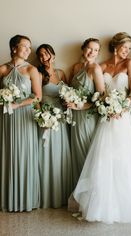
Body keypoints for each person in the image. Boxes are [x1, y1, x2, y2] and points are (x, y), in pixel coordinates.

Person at [72, 32, 131, 224]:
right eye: (125, 47)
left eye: (129, 48)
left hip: (123, 117)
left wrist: (122, 107)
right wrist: (107, 108)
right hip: (106, 116)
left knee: (124, 157)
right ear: (115, 46)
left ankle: (126, 202)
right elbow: (100, 93)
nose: (127, 51)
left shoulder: (129, 64)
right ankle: (101, 203)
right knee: (104, 157)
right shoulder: (101, 66)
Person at [0, 34, 41, 212]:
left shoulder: (31, 70)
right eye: (24, 46)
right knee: (8, 154)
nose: (28, 50)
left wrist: (18, 104)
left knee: (24, 154)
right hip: (7, 118)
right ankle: (7, 200)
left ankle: (26, 199)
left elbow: (38, 97)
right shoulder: (2, 69)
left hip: (25, 117)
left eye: (29, 48)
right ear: (14, 48)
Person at [36, 44, 73, 208]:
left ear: (53, 54)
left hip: (61, 119)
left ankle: (61, 195)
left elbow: (69, 93)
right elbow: (36, 98)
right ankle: (45, 196)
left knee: (60, 154)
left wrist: (67, 104)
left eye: (46, 53)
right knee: (45, 154)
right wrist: (43, 117)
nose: (44, 57)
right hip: (46, 117)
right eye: (40, 55)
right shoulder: (38, 74)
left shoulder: (61, 73)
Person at [68, 38, 104, 188]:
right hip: (74, 116)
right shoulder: (76, 67)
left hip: (88, 116)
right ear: (83, 49)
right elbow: (70, 90)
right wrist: (68, 100)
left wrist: (80, 106)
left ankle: (91, 194)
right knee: (76, 153)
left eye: (96, 50)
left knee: (87, 154)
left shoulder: (96, 69)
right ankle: (79, 195)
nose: (92, 52)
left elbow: (101, 97)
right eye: (89, 48)